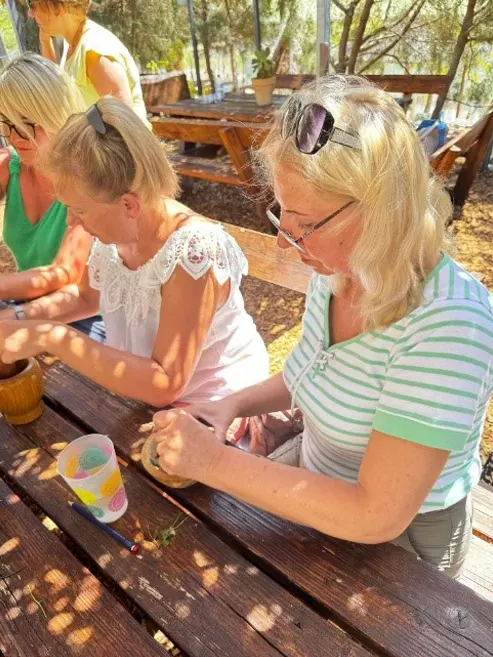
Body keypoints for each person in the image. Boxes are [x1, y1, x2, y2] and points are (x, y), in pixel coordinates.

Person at [149, 76, 493, 579]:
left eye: (303, 223)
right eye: (280, 214)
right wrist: (231, 404)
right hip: (314, 485)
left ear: (381, 211)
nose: (288, 242)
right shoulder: (336, 272)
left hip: (401, 546)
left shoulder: (449, 324)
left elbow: (375, 513)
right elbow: (306, 372)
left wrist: (212, 463)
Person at [0, 98, 269, 409]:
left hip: (221, 406)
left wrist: (53, 337)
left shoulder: (193, 253)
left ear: (129, 204)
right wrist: (17, 318)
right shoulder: (111, 234)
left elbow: (166, 382)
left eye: (79, 211)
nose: (71, 222)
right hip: (152, 404)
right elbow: (85, 298)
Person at [0, 53, 104, 341]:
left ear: (57, 114)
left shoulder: (89, 175)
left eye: (27, 122)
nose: (15, 136)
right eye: (6, 122)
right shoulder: (12, 165)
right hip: (28, 307)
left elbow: (65, 273)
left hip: (88, 320)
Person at [29, 0, 148, 123]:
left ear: (57, 8)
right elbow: (57, 84)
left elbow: (125, 121)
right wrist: (45, 42)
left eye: (32, 5)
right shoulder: (73, 43)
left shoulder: (94, 52)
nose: (30, 13)